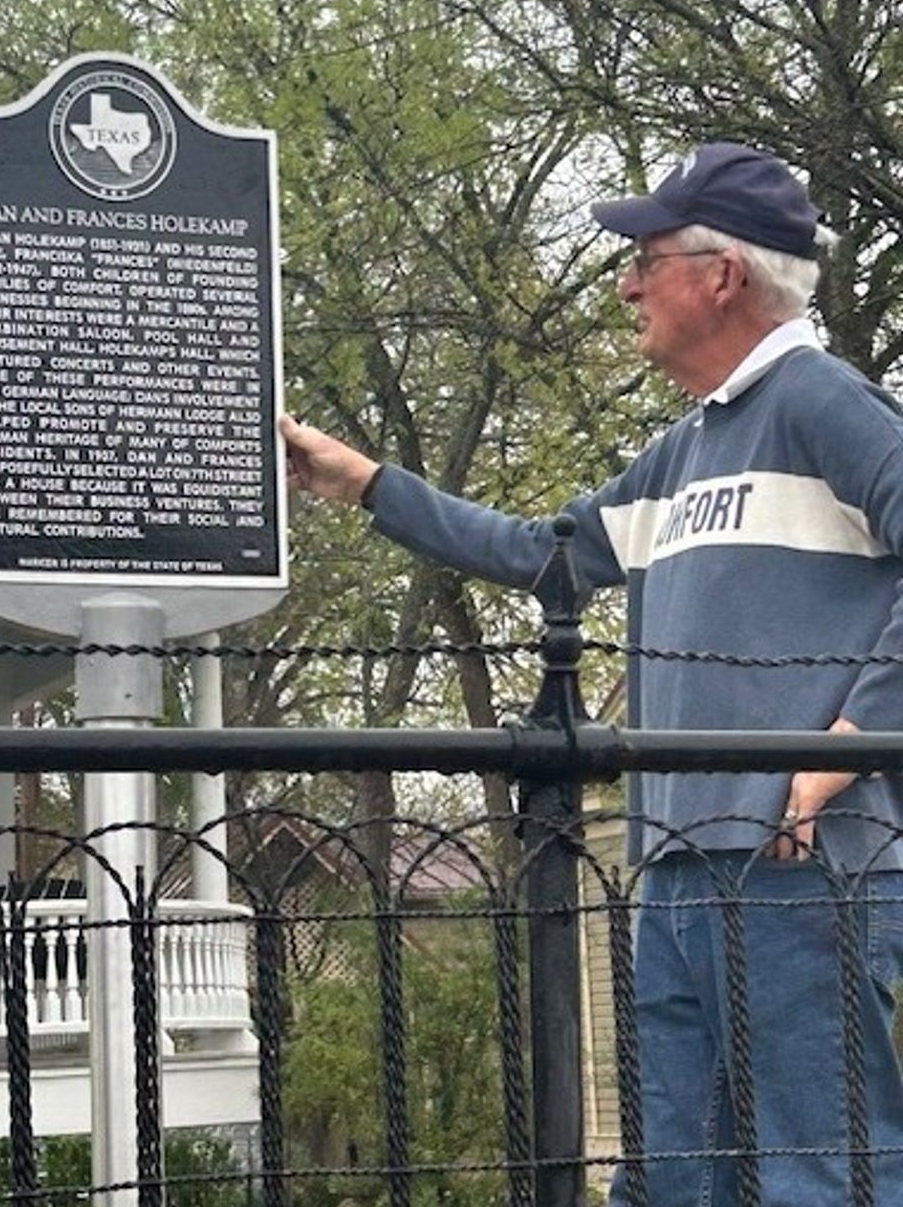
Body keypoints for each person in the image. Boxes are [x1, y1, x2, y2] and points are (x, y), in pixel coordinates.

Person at [279, 141, 903, 1205]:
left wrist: (841, 752)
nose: (624, 283)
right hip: (675, 874)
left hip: (804, 870)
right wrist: (367, 482)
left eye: (645, 258)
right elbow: (545, 553)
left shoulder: (826, 406)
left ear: (722, 275)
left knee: (822, 1177)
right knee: (670, 1178)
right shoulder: (686, 447)